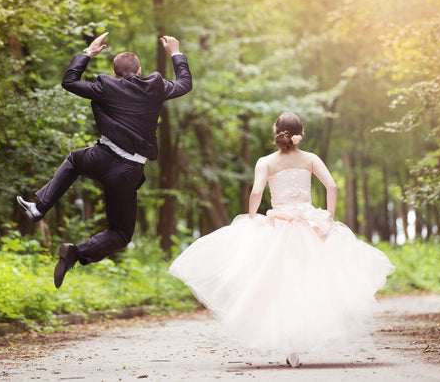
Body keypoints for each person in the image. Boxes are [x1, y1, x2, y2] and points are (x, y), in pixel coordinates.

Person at [169, 112, 395, 367]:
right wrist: (328, 218)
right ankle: (300, 342)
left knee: (277, 285)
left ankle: (291, 347)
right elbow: (332, 186)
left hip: (279, 226)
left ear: (276, 131)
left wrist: (252, 217)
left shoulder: (265, 162)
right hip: (308, 225)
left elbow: (256, 191)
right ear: (301, 133)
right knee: (311, 283)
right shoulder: (311, 159)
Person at [17, 32, 192, 288]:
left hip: (101, 157)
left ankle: (39, 208)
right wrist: (175, 52)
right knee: (120, 234)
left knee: (75, 160)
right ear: (139, 70)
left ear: (115, 73)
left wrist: (88, 52)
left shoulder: (105, 86)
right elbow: (185, 83)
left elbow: (70, 82)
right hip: (128, 170)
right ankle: (76, 252)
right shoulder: (155, 86)